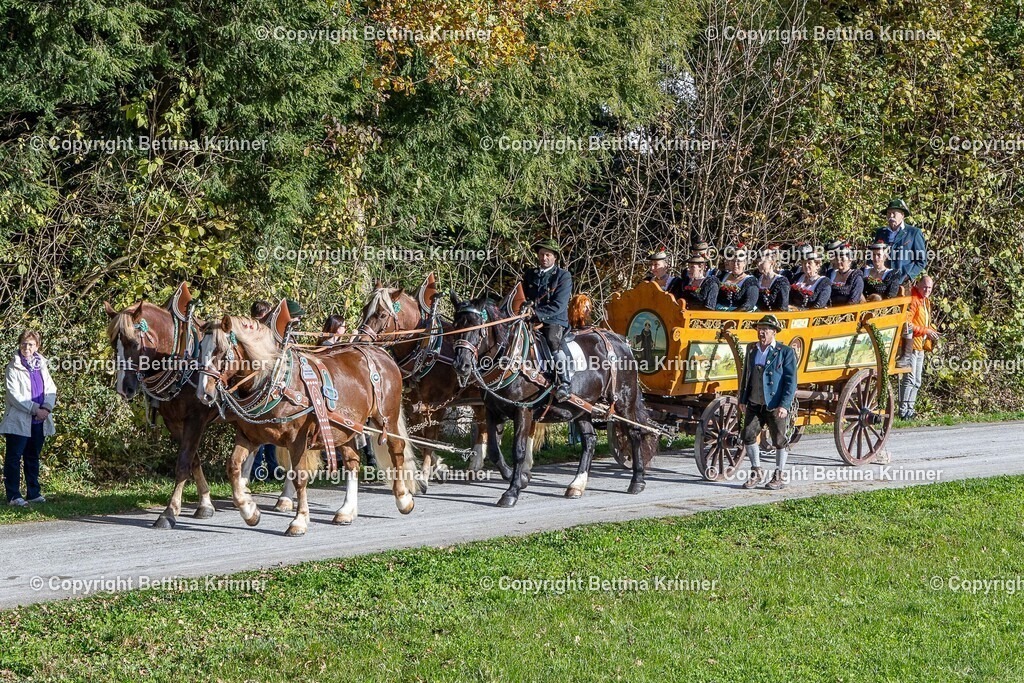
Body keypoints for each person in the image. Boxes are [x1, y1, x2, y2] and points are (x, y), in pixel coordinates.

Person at [738, 315, 797, 490]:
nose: (761, 332)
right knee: (748, 435)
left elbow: (790, 381)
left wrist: (784, 405)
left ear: (774, 332)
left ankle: (779, 475)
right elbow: (746, 375)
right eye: (759, 329)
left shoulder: (785, 352)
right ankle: (757, 471)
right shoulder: (751, 350)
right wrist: (742, 399)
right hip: (754, 402)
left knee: (779, 439)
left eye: (766, 329)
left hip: (775, 404)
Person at [1, 330, 57, 506]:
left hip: (39, 420)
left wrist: (46, 408)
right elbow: (14, 396)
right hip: (19, 420)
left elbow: (50, 389)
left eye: (31, 344)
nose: (27, 347)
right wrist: (35, 409)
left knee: (33, 457)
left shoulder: (42, 366)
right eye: (24, 343)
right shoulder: (13, 367)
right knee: (14, 458)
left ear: (37, 346)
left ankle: (33, 493)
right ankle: (13, 496)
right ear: (20, 344)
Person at [523, 237, 573, 402]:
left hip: (554, 320)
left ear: (555, 257)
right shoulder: (529, 275)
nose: (544, 258)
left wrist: (536, 313)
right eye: (541, 254)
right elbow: (521, 297)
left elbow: (559, 304)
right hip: (529, 318)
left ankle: (564, 381)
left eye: (548, 255)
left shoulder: (563, 276)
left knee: (552, 340)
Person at [898, 276, 938, 420]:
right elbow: (907, 324)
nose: (927, 290)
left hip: (920, 346)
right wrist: (925, 331)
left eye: (930, 288)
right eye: (925, 287)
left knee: (917, 381)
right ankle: (903, 411)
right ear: (918, 284)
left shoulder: (925, 300)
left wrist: (930, 331)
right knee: (909, 379)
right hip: (911, 346)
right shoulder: (913, 299)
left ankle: (910, 410)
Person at [874, 199, 928, 284]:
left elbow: (921, 261)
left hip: (902, 283)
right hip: (880, 282)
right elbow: (873, 255)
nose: (891, 216)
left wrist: (908, 276)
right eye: (888, 213)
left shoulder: (913, 233)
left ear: (902, 215)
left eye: (894, 213)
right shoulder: (880, 232)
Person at [715, 246, 758, 311]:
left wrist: (734, 314)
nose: (735, 264)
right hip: (718, 312)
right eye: (733, 261)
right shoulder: (722, 276)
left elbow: (749, 304)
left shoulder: (750, 281)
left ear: (744, 263)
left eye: (739, 261)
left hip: (740, 314)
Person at [756, 246, 789, 311]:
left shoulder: (781, 282)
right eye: (758, 261)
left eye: (762, 262)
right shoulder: (757, 278)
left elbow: (783, 307)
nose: (759, 264)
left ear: (772, 263)